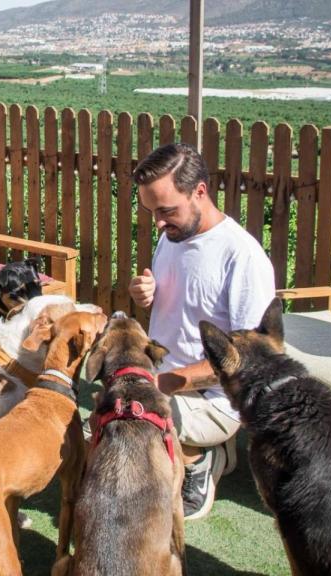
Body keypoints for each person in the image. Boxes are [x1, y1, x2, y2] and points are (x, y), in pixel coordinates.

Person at [129, 143, 276, 520]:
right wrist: (148, 293)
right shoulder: (172, 236)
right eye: (152, 212)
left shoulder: (242, 256)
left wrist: (166, 383)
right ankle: (199, 446)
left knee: (132, 421)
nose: (158, 223)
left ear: (199, 191)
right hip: (163, 378)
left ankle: (198, 462)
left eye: (166, 210)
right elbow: (185, 302)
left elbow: (249, 360)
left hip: (217, 398)